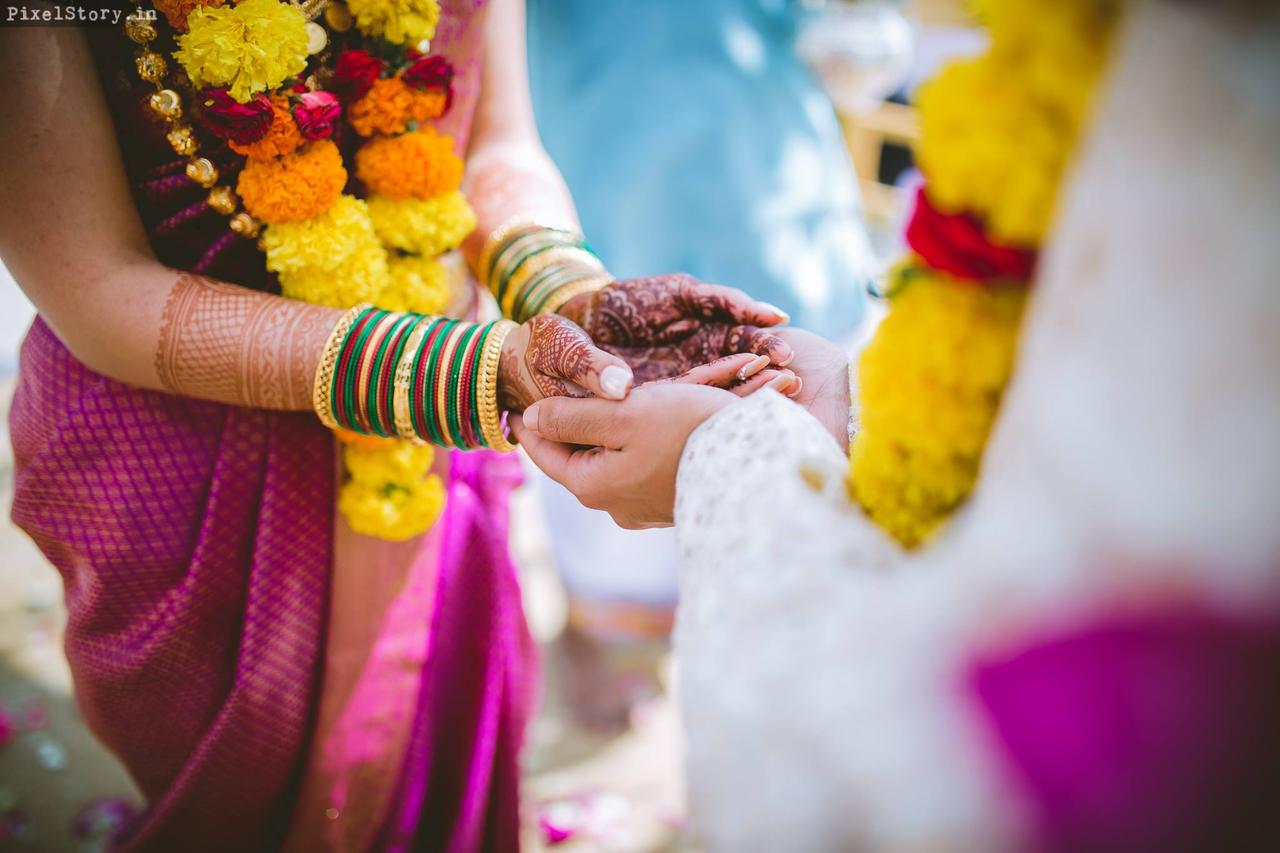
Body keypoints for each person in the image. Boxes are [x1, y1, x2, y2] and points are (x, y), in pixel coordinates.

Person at [0, 0, 799, 847]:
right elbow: (92, 284)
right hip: (183, 464)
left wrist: (569, 294)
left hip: (430, 428)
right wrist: (469, 372)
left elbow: (497, 144)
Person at [515, 0, 1280, 847]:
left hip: (738, 229)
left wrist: (714, 455)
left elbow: (935, 766)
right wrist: (845, 407)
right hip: (716, 233)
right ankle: (621, 669)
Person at [520, 0, 876, 683]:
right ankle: (621, 663)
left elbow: (857, 37)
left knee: (809, 563)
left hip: (778, 202)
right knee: (616, 468)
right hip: (600, 189)